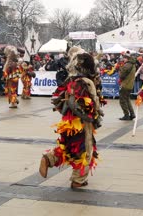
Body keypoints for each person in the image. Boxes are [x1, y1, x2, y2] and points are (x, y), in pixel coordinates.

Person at [40, 49, 103, 189]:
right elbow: (90, 103)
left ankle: (49, 159)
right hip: (81, 122)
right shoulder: (86, 82)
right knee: (85, 150)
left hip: (68, 121)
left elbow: (58, 97)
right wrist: (93, 116)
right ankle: (78, 180)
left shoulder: (70, 80)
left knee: (68, 146)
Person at [118, 52, 136, 120]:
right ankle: (132, 113)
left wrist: (120, 69)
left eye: (124, 58)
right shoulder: (133, 64)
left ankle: (126, 114)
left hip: (125, 84)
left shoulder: (127, 65)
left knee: (122, 100)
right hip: (130, 85)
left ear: (126, 58)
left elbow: (121, 75)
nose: (123, 60)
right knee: (127, 99)